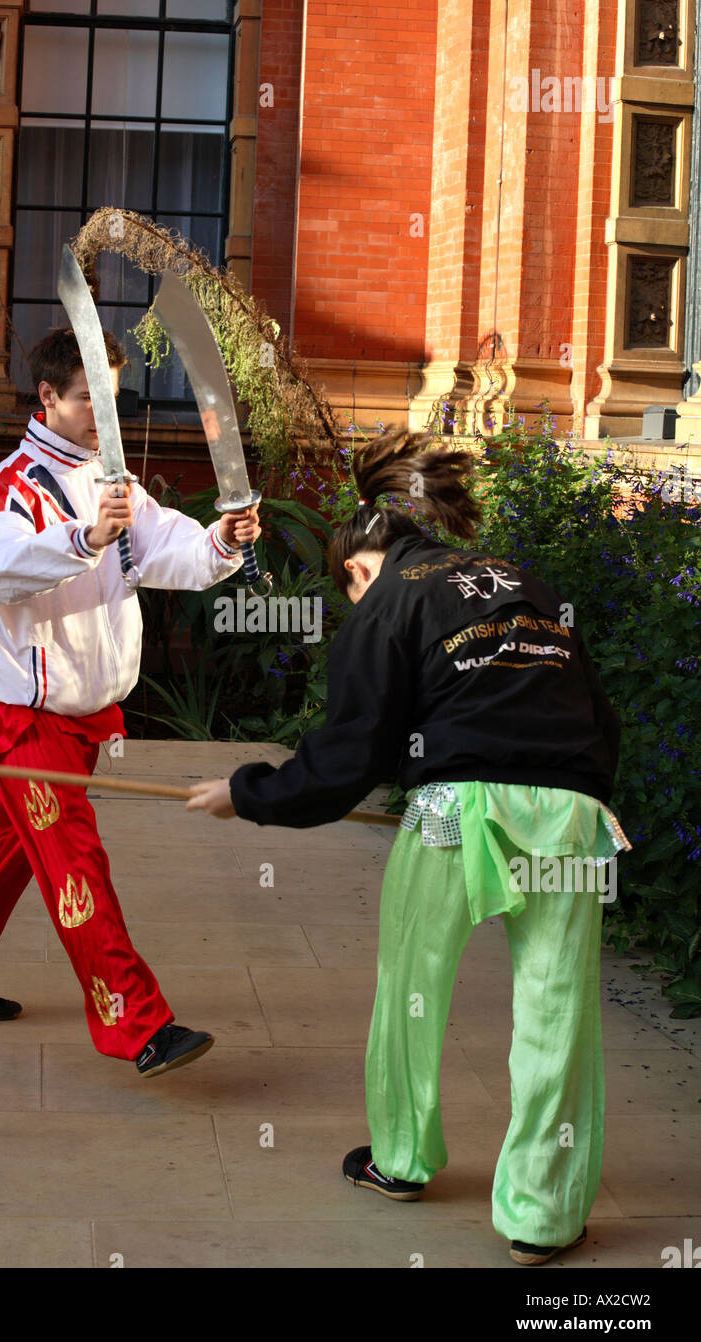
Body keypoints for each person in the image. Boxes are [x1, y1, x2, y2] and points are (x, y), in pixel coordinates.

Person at [187, 426, 630, 1265]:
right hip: (572, 812)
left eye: (349, 582)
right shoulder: (528, 586)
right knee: (557, 1007)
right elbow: (600, 716)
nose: (353, 599)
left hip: (454, 810)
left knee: (412, 990)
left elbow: (351, 749)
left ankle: (402, 1160)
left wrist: (246, 794)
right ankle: (541, 1218)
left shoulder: (390, 598)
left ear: (367, 558)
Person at [0, 325, 260, 1079]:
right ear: (48, 397)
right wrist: (81, 537)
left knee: (1, 852)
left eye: (113, 396)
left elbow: (176, 554)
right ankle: (138, 1026)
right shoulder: (7, 487)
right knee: (76, 867)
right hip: (24, 716)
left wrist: (224, 540)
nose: (108, 413)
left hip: (80, 716)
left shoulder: (117, 483)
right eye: (90, 397)